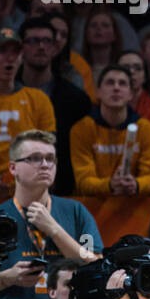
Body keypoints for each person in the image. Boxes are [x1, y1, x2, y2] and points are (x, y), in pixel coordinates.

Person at [0, 130, 100, 299]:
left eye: (50, 159)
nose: (45, 165)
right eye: (35, 159)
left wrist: (55, 230)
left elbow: (95, 266)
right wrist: (7, 278)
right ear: (13, 168)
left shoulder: (75, 212)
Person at [0, 29, 57, 199]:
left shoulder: (39, 100)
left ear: (21, 58)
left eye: (15, 52)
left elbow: (50, 156)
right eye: (2, 51)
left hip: (30, 196)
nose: (9, 57)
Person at [16, 18, 91, 196]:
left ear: (55, 48)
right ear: (21, 48)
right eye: (33, 41)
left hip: (63, 191)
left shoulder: (77, 100)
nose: (41, 46)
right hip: (12, 188)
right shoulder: (5, 94)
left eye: (47, 41)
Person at [69, 65, 150, 197]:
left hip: (134, 206)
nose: (116, 88)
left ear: (131, 94)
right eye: (110, 83)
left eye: (122, 84)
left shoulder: (146, 128)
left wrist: (136, 184)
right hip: (93, 206)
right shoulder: (81, 129)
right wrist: (110, 185)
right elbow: (83, 182)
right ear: (98, 92)